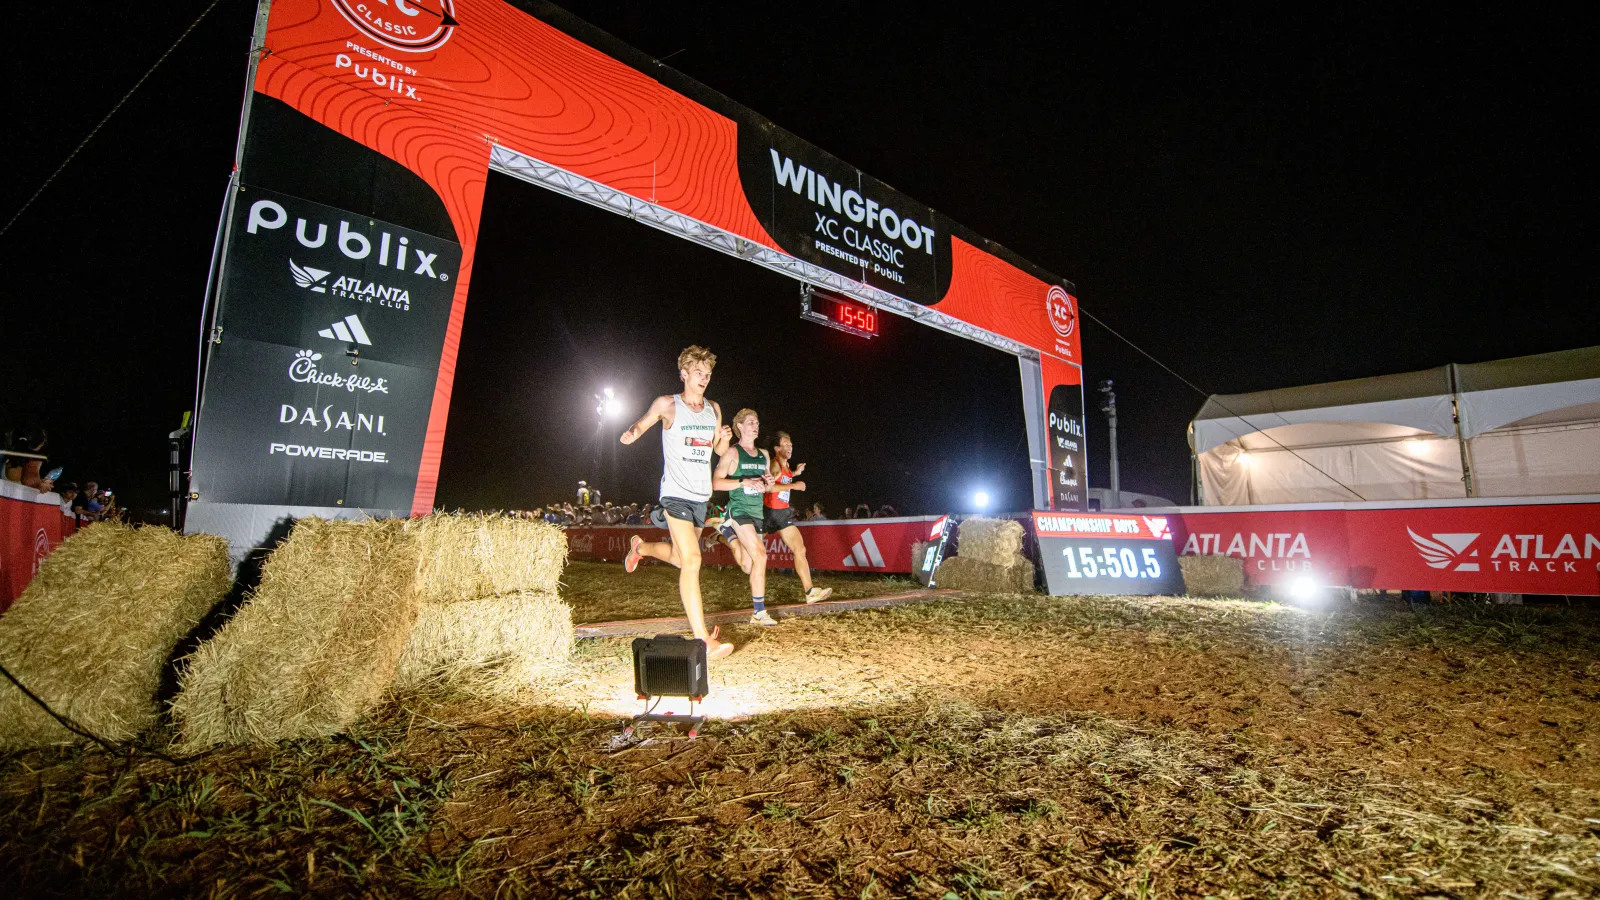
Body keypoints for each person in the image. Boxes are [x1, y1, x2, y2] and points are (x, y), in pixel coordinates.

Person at [619, 346, 735, 659]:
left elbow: (719, 451)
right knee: (694, 560)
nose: (705, 378)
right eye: (699, 372)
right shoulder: (668, 404)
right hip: (675, 493)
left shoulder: (713, 408)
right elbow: (642, 423)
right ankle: (702, 640)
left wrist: (724, 438)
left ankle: (640, 549)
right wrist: (632, 433)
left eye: (708, 373)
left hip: (701, 496)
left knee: (682, 558)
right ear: (683, 374)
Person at [715, 409, 777, 625]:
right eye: (751, 422)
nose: (755, 425)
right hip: (739, 509)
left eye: (757, 422)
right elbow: (715, 482)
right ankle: (759, 612)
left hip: (756, 512)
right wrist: (743, 482)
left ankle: (728, 534)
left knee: (750, 566)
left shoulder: (764, 454)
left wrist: (768, 483)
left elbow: (767, 488)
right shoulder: (732, 452)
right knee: (761, 555)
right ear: (739, 426)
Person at [765, 431, 833, 605]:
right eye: (786, 445)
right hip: (767, 513)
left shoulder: (786, 467)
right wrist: (794, 485)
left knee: (799, 548)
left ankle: (809, 591)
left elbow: (785, 478)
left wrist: (795, 473)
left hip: (782, 514)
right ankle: (720, 535)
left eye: (791, 445)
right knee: (746, 556)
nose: (790, 448)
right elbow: (768, 488)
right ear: (776, 448)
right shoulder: (774, 465)